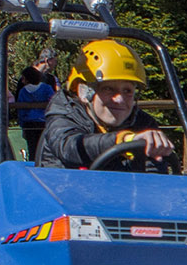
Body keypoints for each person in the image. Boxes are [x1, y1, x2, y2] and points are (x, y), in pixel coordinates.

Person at [36, 41, 175, 171]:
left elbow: (153, 172)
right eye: (108, 89)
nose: (119, 99)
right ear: (84, 92)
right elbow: (69, 147)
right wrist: (124, 140)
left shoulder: (143, 124)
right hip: (61, 191)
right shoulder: (64, 115)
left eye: (127, 91)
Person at [15, 64, 55, 161]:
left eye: (23, 78)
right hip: (44, 122)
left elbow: (21, 111)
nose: (22, 81)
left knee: (32, 150)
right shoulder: (47, 88)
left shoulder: (23, 92)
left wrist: (22, 125)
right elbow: (54, 102)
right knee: (45, 149)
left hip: (30, 124)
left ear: (28, 79)